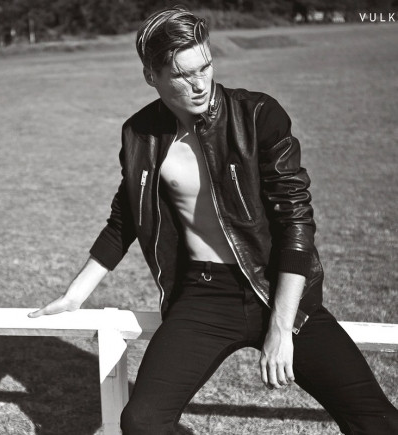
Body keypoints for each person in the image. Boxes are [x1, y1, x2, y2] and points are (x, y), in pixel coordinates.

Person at [29, 6, 398, 434]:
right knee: (142, 422)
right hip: (204, 297)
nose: (200, 83)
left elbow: (296, 221)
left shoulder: (257, 115)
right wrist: (75, 294)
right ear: (151, 76)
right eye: (183, 75)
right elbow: (125, 217)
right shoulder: (140, 134)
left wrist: (281, 328)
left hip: (277, 290)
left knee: (378, 422)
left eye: (205, 66)